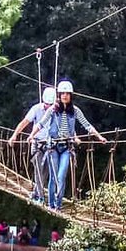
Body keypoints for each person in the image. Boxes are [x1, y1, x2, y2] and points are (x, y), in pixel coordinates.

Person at [45, 80, 108, 211]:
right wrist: (31, 136)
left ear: (71, 95)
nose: (65, 96)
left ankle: (58, 205)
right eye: (62, 93)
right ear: (59, 94)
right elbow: (41, 123)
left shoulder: (75, 111)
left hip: (66, 148)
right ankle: (51, 204)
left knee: (61, 176)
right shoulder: (53, 110)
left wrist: (99, 137)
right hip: (53, 147)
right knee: (54, 177)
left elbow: (87, 125)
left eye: (67, 93)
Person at [10, 86, 57, 203]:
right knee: (38, 168)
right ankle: (40, 197)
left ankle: (37, 192)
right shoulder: (36, 109)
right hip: (36, 142)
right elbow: (25, 122)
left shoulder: (57, 111)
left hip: (50, 144)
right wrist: (14, 135)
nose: (47, 107)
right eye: (46, 104)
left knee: (46, 170)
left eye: (50, 105)